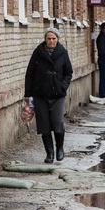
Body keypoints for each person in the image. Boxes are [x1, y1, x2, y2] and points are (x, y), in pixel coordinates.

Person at [24, 27, 73, 163]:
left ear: (57, 39)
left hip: (57, 93)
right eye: (48, 38)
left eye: (53, 38)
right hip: (40, 93)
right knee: (44, 124)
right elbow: (30, 73)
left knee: (57, 122)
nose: (51, 41)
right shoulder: (38, 52)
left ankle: (60, 148)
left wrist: (62, 86)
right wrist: (28, 93)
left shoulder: (62, 53)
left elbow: (68, 72)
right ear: (45, 39)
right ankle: (49, 153)